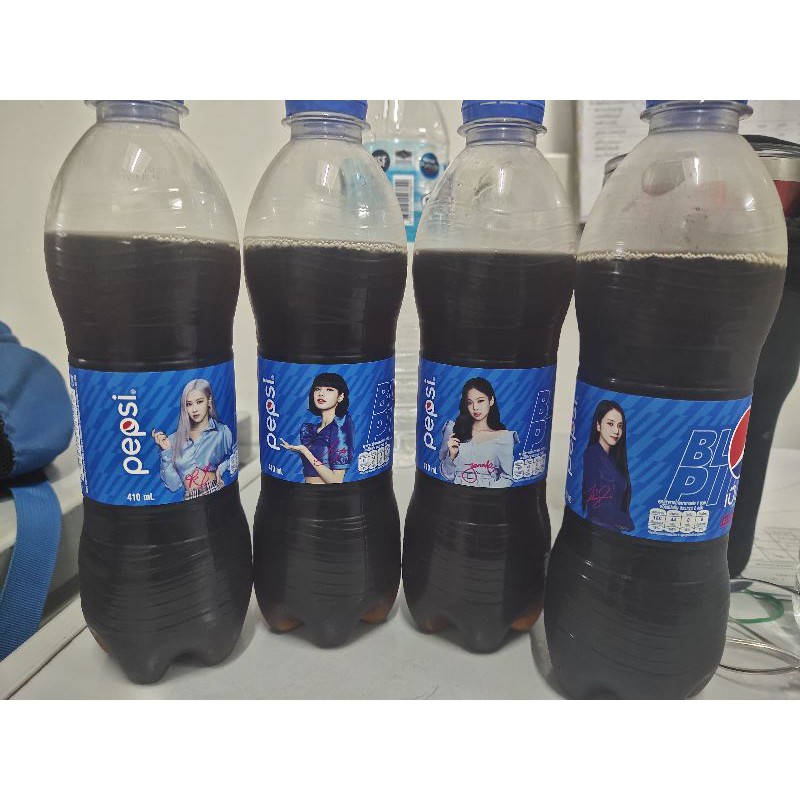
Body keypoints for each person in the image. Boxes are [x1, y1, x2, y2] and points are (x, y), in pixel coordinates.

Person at [152, 378, 236, 500]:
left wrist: (222, 468)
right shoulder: (173, 439)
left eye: (199, 402)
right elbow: (173, 486)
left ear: (209, 401)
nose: (194, 409)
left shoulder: (222, 432)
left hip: (215, 490)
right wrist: (166, 452)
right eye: (189, 404)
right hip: (189, 498)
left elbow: (234, 457)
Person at [439, 377, 517, 488]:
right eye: (469, 402)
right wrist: (451, 455)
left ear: (491, 401)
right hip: (457, 493)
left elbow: (507, 478)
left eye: (480, 401)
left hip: (490, 494)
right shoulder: (453, 429)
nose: (475, 408)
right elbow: (447, 475)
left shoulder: (504, 437)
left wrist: (487, 493)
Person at [280, 373, 354, 484]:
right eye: (317, 389)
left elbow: (336, 481)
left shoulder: (340, 428)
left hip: (330, 494)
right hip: (304, 491)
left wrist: (305, 451)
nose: (321, 393)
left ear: (340, 397)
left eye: (329, 389)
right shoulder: (309, 430)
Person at [581, 399, 634, 531]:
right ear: (598, 425)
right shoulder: (592, 454)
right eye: (610, 424)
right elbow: (597, 503)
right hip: (596, 529)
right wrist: (627, 522)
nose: (616, 431)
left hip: (612, 531)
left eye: (620, 426)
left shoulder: (614, 460)